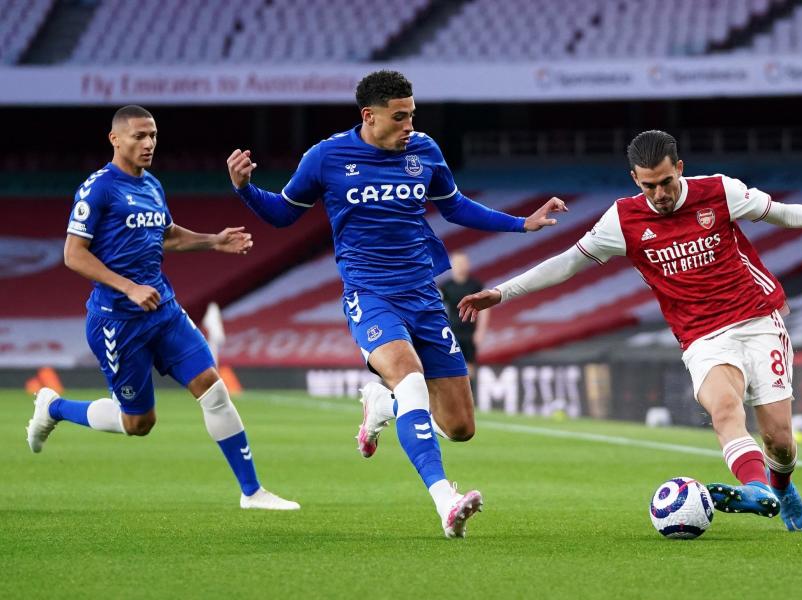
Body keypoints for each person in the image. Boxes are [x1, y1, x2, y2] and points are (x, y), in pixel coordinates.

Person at [459, 130, 802, 532]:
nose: (660, 193)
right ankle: (756, 491)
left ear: (680, 169)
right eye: (648, 185)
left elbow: (781, 213)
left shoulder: (719, 192)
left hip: (757, 320)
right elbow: (568, 263)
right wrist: (502, 292)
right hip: (701, 337)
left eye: (666, 182)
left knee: (780, 441)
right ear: (635, 178)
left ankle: (780, 486)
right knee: (725, 409)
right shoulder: (623, 220)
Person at [226, 70, 565, 537]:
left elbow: (456, 206)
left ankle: (380, 405)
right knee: (409, 378)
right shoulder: (326, 157)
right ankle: (445, 500)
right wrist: (246, 190)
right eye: (399, 116)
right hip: (370, 294)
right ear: (369, 116)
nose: (409, 125)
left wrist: (521, 224)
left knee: (462, 427)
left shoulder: (424, 150)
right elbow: (283, 214)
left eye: (412, 115)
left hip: (424, 297)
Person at [26, 105, 298, 511]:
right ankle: (55, 406)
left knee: (212, 386)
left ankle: (252, 492)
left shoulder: (152, 184)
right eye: (139, 136)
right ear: (115, 139)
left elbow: (166, 234)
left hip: (164, 312)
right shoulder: (98, 188)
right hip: (118, 323)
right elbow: (73, 254)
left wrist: (214, 240)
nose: (149, 143)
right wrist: (128, 286)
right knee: (139, 424)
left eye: (152, 134)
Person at [440, 251, 489, 378]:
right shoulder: (446, 286)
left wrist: (480, 331)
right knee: (452, 366)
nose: (460, 266)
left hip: (470, 332)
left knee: (470, 367)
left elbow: (485, 309)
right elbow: (437, 308)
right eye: (457, 263)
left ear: (468, 264)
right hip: (453, 333)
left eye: (462, 263)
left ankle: (470, 395)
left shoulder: (475, 285)